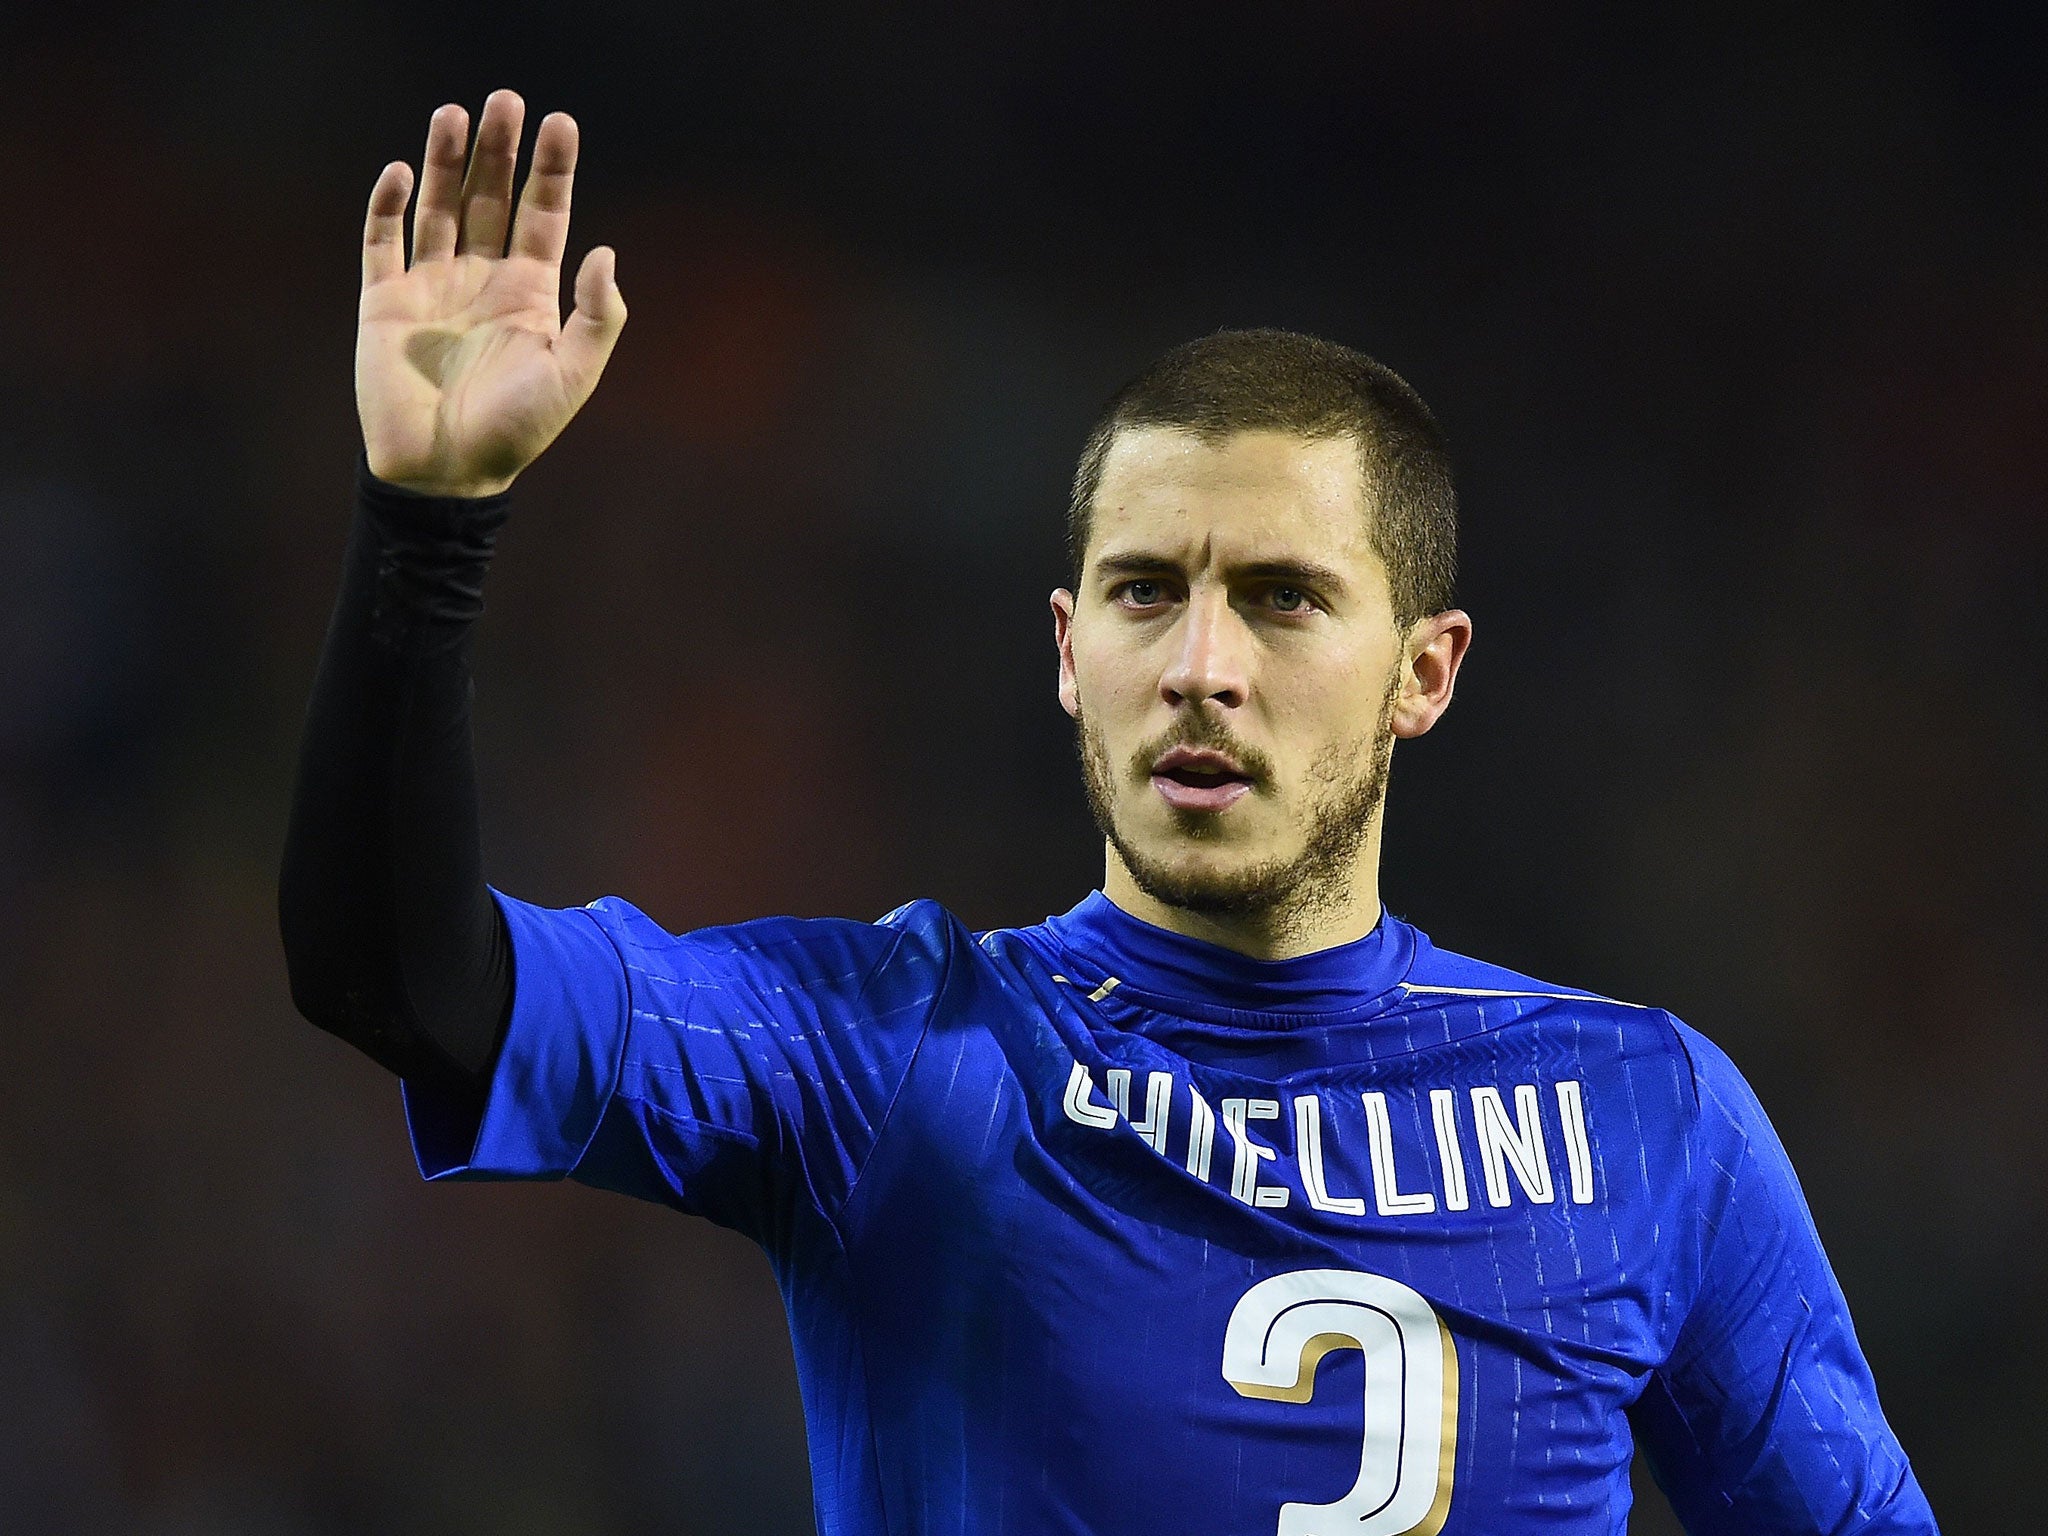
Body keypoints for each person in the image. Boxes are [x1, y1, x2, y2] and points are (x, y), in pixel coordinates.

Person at [279, 89, 1938, 1536]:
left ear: (1425, 671)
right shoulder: (888, 1062)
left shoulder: (1645, 1122)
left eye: (1285, 600)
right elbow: (399, 985)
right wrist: (427, 532)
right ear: (1072, 651)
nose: (1202, 664)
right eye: (1148, 593)